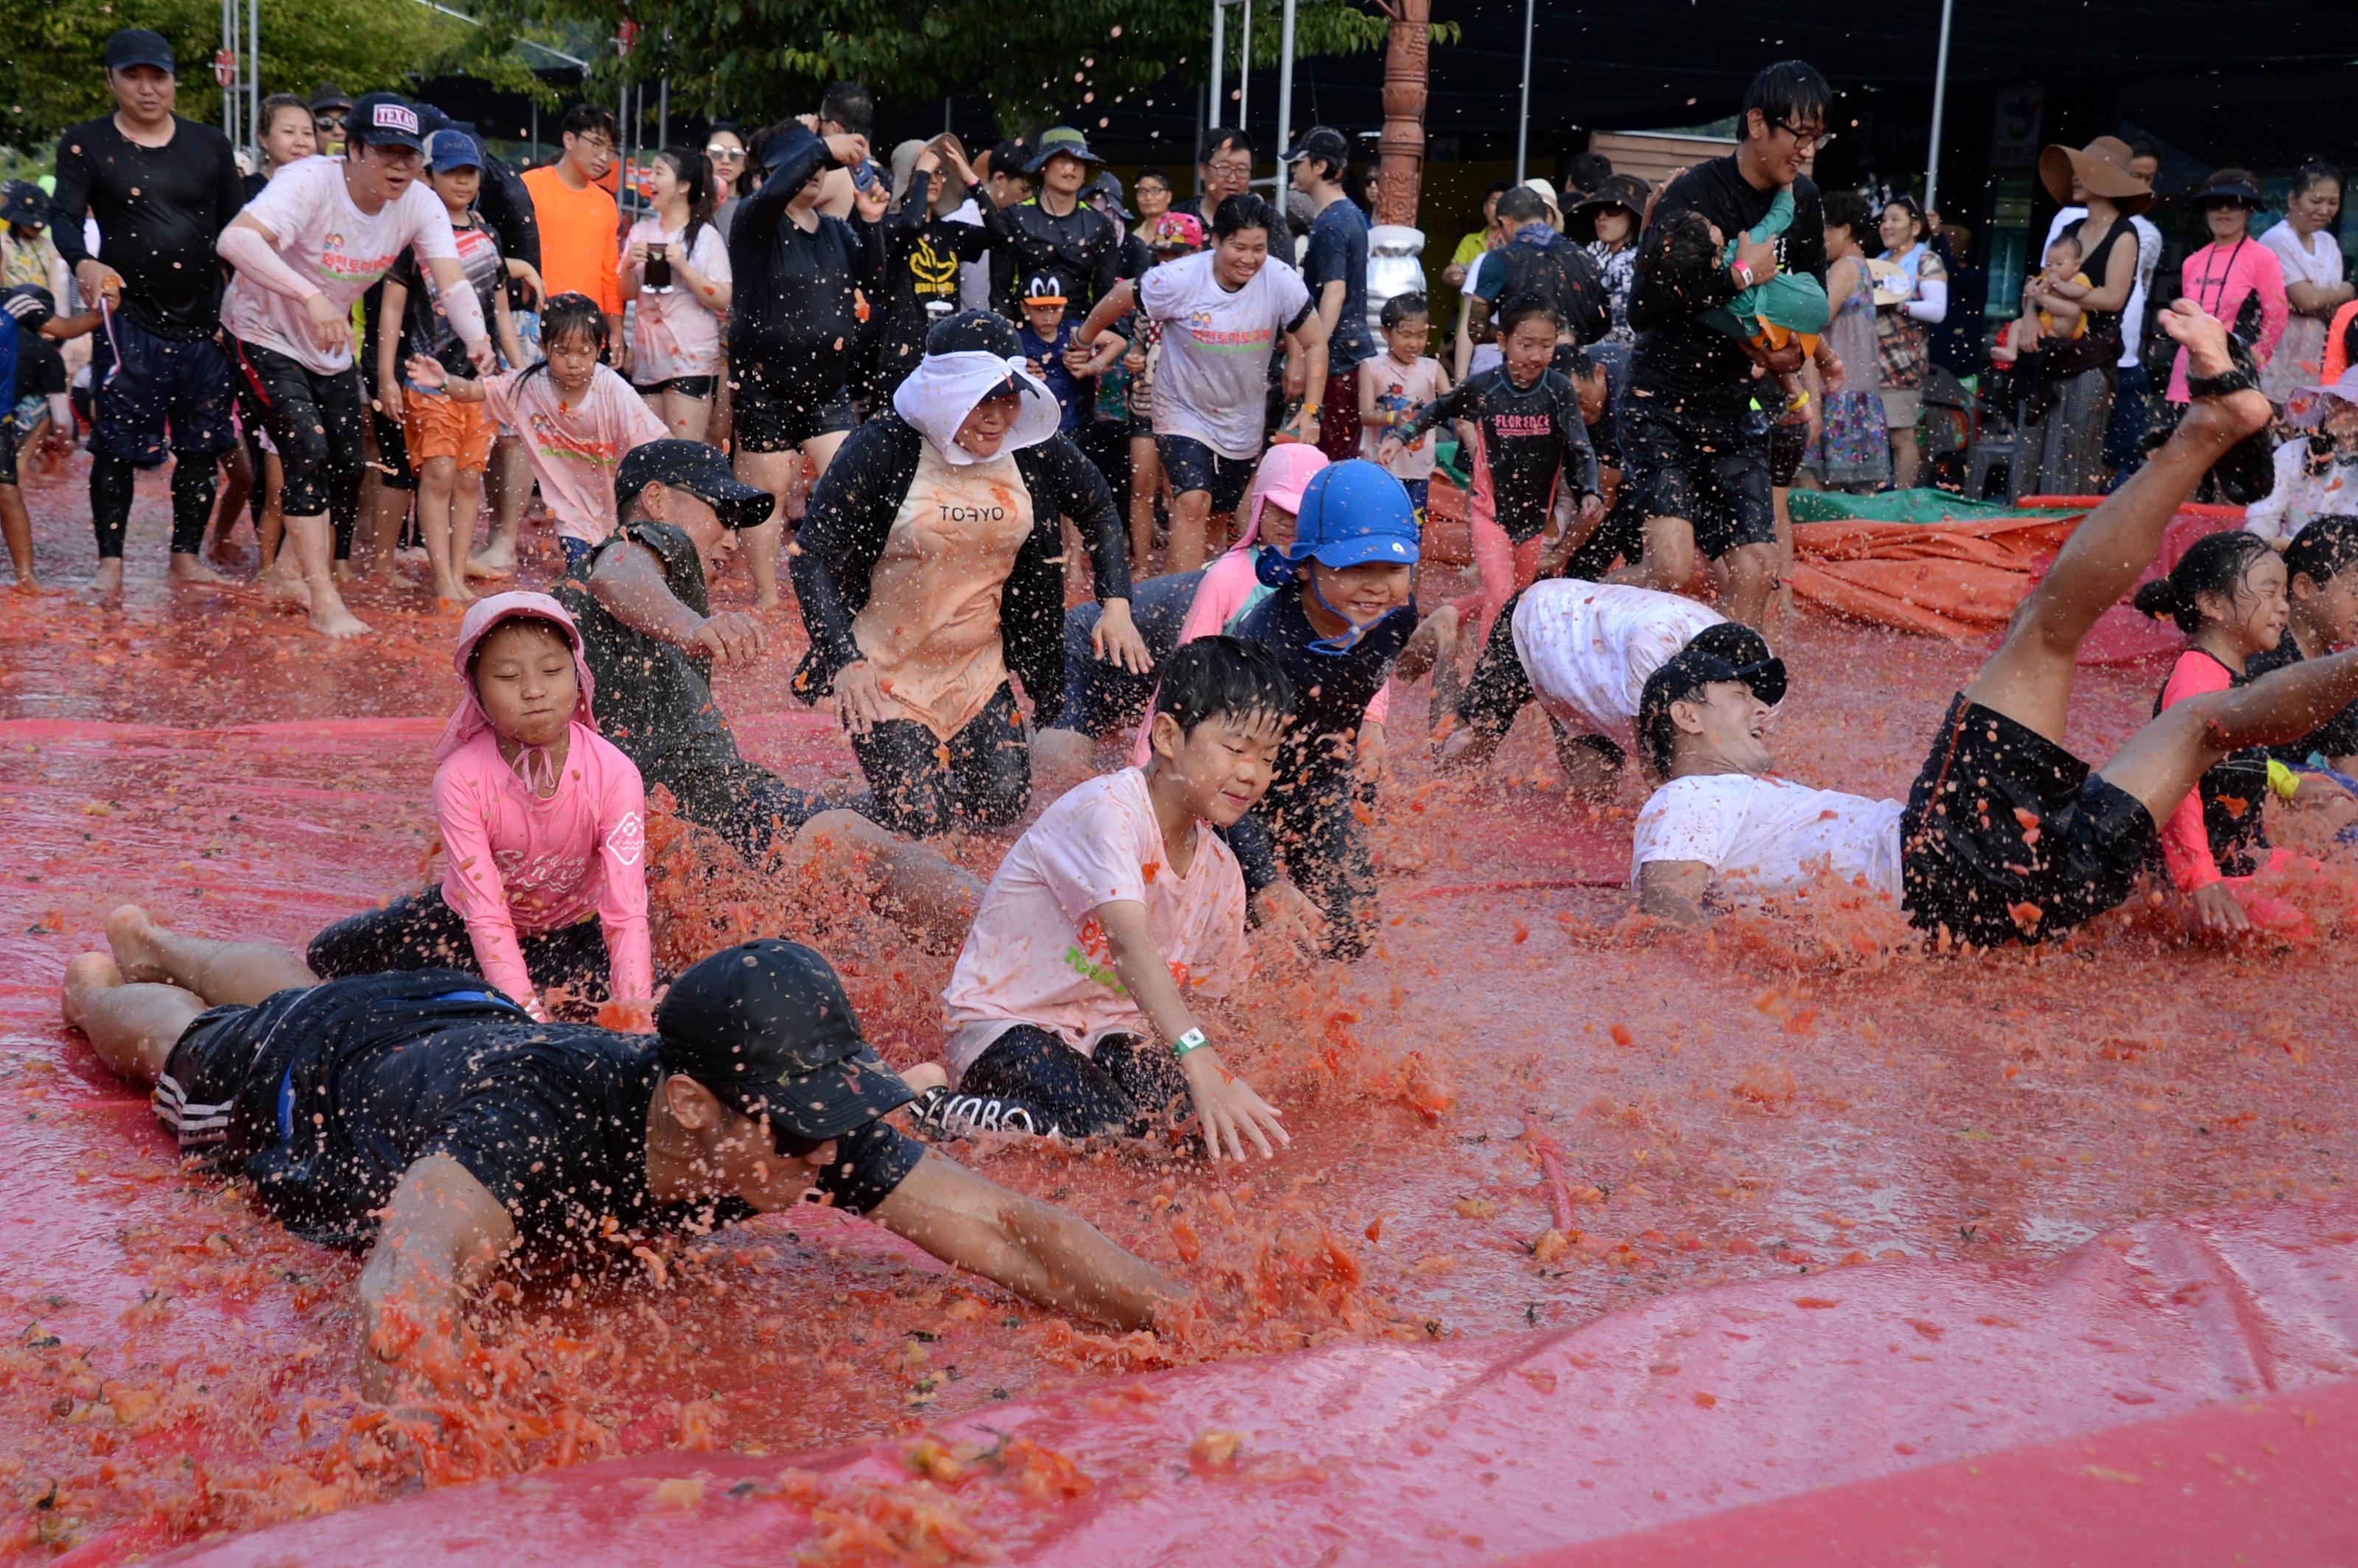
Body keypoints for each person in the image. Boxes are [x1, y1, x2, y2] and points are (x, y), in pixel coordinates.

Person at [63, 911, 1178, 1401]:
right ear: (691, 1106)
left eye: (842, 1113)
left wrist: (1191, 1326)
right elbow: (407, 1282)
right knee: (169, 1040)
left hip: (464, 1013)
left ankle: (171, 937)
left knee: (312, 991)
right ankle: (112, 971)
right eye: (803, 1129)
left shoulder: (785, 1123)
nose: (828, 1154)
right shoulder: (525, 1140)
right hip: (316, 1082)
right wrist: (410, 1489)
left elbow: (1007, 1228)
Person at [1632, 301, 2358, 945]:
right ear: (1683, 715)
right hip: (1940, 862)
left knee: (2206, 725)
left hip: (2016, 893)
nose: (1760, 705)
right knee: (2046, 627)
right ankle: (2206, 428)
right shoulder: (1683, 796)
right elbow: (1665, 914)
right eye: (1736, 692)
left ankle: (2214, 436)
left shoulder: (1749, 804)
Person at [922, 636, 1295, 1158]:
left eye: (1269, 757)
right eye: (1236, 748)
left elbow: (1216, 998)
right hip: (1008, 1023)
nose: (1253, 773)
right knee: (1103, 1133)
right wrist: (1198, 1056)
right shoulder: (1110, 813)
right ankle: (930, 1100)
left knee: (1188, 1137)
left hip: (1109, 1036)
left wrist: (1222, 1078)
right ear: (1167, 735)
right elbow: (1128, 946)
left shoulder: (1222, 872)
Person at [789, 311, 1146, 836]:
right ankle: (846, 811)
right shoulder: (881, 446)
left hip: (976, 668)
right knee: (921, 824)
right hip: (885, 669)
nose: (998, 418)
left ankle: (903, 784)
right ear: (943, 393)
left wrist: (1116, 604)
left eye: (1009, 399)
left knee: (999, 809)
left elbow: (1098, 509)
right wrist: (845, 660)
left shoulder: (1032, 449)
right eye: (982, 401)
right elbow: (811, 555)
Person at [215, 92, 495, 638]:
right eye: (386, 153)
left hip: (329, 344)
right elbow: (234, 240)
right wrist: (310, 296)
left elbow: (451, 279)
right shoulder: (309, 182)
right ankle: (324, 600)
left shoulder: (420, 202)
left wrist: (479, 339)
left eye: (409, 156)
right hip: (260, 330)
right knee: (305, 448)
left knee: (347, 464)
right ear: (353, 150)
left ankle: (288, 573)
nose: (399, 167)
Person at [308, 592, 651, 1017]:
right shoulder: (460, 779)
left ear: (578, 676)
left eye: (552, 670)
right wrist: (526, 1016)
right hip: (465, 922)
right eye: (508, 676)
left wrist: (636, 1020)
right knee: (328, 956)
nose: (534, 691)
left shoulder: (615, 773)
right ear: (476, 691)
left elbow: (626, 913)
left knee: (619, 999)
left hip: (573, 928)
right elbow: (485, 912)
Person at [1614, 60, 1832, 631]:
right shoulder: (1696, 192)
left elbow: (1814, 297)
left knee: (1758, 568)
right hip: (1661, 402)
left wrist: (1795, 355)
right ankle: (1563, 609)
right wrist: (1738, 276)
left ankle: (1722, 703)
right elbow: (1644, 310)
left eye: (1818, 137)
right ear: (1758, 123)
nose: (1808, 150)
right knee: (1669, 569)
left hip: (1735, 409)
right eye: (1800, 135)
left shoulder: (1803, 200)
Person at [51, 28, 244, 598]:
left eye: (157, 76)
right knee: (114, 444)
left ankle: (185, 554)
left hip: (204, 322)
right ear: (110, 80)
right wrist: (83, 262)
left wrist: (234, 313)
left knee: (202, 444)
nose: (146, 88)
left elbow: (237, 233)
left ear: (175, 82)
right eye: (132, 76)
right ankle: (110, 563)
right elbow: (65, 217)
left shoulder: (209, 144)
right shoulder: (85, 143)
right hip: (129, 318)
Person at [1223, 460, 1421, 959]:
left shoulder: (1395, 617)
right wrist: (1265, 882)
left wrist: (1372, 729)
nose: (1378, 588)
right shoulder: (1264, 647)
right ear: (1306, 565)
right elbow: (1221, 776)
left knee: (1350, 931)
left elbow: (1361, 681)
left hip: (1318, 786)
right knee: (1239, 938)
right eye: (1355, 568)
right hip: (1231, 800)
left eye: (1394, 569)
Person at [1075, 195, 1329, 574]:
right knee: (1193, 501)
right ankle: (1181, 611)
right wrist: (1084, 338)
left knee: (1218, 517)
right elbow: (1121, 296)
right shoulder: (1179, 278)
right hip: (1182, 410)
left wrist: (1311, 410)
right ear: (1215, 241)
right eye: (1239, 247)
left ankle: (1201, 599)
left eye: (1258, 248)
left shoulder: (1279, 280)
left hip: (1241, 418)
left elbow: (1315, 342)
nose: (1249, 259)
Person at [1381, 293, 1603, 666]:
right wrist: (1400, 438)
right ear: (1503, 342)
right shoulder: (1487, 386)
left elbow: (1581, 446)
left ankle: (1453, 616)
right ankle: (1486, 678)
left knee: (1518, 597)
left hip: (1534, 519)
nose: (1536, 355)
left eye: (1546, 346)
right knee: (1500, 594)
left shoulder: (1559, 390)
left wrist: (1591, 490)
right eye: (1526, 344)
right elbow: (1440, 408)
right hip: (1490, 513)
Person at [726, 121, 877, 609]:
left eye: (822, 168)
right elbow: (775, 194)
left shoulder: (836, 230)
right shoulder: (756, 220)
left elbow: (875, 280)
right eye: (807, 165)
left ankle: (839, 584)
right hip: (765, 384)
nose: (816, 173)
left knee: (849, 484)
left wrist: (873, 223)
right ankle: (768, 594)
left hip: (827, 387)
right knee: (767, 492)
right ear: (774, 173)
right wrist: (820, 148)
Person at [2133, 531, 2315, 934]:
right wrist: (2201, 879)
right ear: (2213, 604)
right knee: (2297, 930)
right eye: (2269, 593)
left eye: (2284, 594)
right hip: (2190, 879)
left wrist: (2291, 784)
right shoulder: (2196, 680)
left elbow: (2232, 761)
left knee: (2345, 899)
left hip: (2238, 858)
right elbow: (2177, 783)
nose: (2283, 607)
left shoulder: (2235, 676)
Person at [404, 293, 667, 568]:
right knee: (583, 577)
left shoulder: (613, 390)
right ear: (543, 347)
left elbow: (659, 441)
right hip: (572, 517)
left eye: (584, 352)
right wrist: (444, 381)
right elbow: (473, 391)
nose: (574, 362)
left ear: (599, 349)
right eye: (563, 352)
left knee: (619, 580)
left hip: (619, 510)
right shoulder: (528, 387)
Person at [377, 128, 526, 607]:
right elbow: (392, 309)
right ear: (429, 176)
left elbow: (500, 312)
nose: (462, 181)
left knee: (468, 478)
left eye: (470, 172)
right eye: (451, 172)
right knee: (438, 473)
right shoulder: (415, 235)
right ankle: (442, 578)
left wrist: (519, 371)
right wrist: (386, 375)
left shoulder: (488, 234)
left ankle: (458, 573)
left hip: (479, 382)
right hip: (427, 373)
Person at [1439, 577, 1741, 796]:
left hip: (1594, 664)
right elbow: (1654, 767)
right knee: (1455, 772)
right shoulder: (1654, 650)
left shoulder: (1757, 673)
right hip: (1540, 621)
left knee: (1597, 790)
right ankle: (1443, 636)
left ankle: (1562, 701)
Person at [2013, 137, 2152, 497]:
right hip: (2047, 351)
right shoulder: (2069, 230)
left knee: (2074, 453)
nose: (2075, 178)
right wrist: (2030, 313)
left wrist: (2061, 298)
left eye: (2084, 172)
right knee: (2029, 449)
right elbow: (2040, 280)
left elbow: (2113, 297)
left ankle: (2066, 535)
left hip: (2091, 357)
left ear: (2106, 179)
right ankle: (2016, 526)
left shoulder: (2125, 234)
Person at [619, 144, 732, 443]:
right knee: (651, 453)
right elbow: (626, 293)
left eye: (659, 172)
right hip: (648, 358)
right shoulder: (641, 231)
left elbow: (722, 298)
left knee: (685, 453)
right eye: (650, 172)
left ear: (684, 186)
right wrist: (629, 263)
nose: (650, 180)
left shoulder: (705, 237)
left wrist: (684, 267)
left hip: (691, 358)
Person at [875, 136, 990, 402]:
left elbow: (1001, 234)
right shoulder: (888, 228)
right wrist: (922, 175)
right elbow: (912, 224)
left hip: (945, 359)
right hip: (900, 362)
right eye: (926, 171)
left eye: (941, 172)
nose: (935, 178)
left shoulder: (951, 231)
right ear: (907, 177)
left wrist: (970, 179)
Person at [1456, 185, 1610, 382]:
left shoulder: (1499, 260)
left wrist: (1517, 337)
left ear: (1506, 222)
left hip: (1525, 382)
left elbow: (1476, 330)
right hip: (1579, 382)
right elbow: (1603, 323)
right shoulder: (1586, 258)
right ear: (1546, 216)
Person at [2166, 170, 2289, 414]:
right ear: (2205, 210)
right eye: (2214, 204)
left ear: (2248, 210)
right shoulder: (2193, 262)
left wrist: (2249, 363)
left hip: (2230, 378)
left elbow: (2277, 318)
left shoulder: (2262, 258)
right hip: (2184, 379)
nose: (2224, 210)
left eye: (2234, 203)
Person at [1287, 127, 1376, 462]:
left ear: (1320, 166)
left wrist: (1314, 350)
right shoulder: (1352, 214)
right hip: (1350, 353)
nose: (1295, 169)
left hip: (1338, 360)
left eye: (1300, 162)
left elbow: (1335, 292)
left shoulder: (1331, 223)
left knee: (1328, 460)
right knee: (1339, 456)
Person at [972, 125, 1118, 323]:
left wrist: (1087, 342)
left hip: (1080, 337)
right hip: (1024, 337)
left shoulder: (1100, 225)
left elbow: (1105, 296)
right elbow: (1000, 296)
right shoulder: (1014, 218)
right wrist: (1011, 345)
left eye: (1078, 161)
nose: (1071, 167)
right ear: (1043, 166)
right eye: (1062, 159)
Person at [2248, 514, 2358, 779]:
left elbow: (2351, 769)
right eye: (2356, 591)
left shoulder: (2338, 674)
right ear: (2304, 587)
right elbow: (2231, 766)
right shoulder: (2259, 659)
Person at [520, 106, 626, 373]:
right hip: (534, 325)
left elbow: (609, 274)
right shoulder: (529, 186)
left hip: (587, 331)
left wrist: (615, 331)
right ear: (569, 140)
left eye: (611, 150)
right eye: (597, 144)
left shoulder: (605, 203)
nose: (604, 157)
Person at [1800, 189, 1889, 491]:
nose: (1819, 236)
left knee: (1823, 493)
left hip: (1838, 392)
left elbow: (1815, 319)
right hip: (1857, 392)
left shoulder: (1845, 267)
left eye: (1825, 227)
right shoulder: (1861, 265)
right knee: (1855, 500)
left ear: (1846, 229)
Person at [1871, 197, 1948, 490]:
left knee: (1901, 436)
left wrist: (1898, 305)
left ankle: (1900, 503)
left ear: (1915, 227)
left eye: (1895, 219)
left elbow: (1937, 310)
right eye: (1884, 220)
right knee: (1875, 437)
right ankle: (1873, 507)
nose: (1887, 226)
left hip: (1901, 366)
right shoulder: (1878, 261)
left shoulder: (1927, 260)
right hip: (1870, 365)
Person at [2261, 163, 2351, 405]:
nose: (2324, 210)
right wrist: (2350, 289)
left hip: (2315, 361)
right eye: (2316, 201)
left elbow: (2334, 311)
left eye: (2333, 203)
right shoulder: (2277, 239)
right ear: (2293, 199)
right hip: (2274, 361)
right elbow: (2307, 300)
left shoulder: (2329, 243)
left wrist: (2315, 302)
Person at [1359, 292, 1451, 519]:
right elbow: (1365, 415)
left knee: (1413, 527)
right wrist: (1393, 417)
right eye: (1406, 335)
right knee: (1379, 522)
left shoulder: (1433, 368)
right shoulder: (1372, 367)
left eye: (1421, 335)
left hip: (1419, 468)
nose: (1414, 343)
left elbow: (1452, 405)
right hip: (1381, 466)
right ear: (1385, 332)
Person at [2246, 369, 2358, 547]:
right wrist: (2256, 545)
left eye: (2351, 403)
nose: (2339, 407)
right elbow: (2264, 514)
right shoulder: (2293, 453)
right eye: (2337, 398)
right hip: (2284, 556)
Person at [1573, 174, 1651, 349]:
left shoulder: (1624, 264)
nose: (1601, 217)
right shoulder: (1633, 258)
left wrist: (1582, 354)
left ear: (1633, 215)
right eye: (1596, 210)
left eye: (1613, 208)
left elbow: (1624, 337)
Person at [1993, 232, 2090, 365]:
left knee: (2073, 310)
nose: (2052, 268)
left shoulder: (2079, 278)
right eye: (2049, 264)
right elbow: (2031, 284)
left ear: (2076, 265)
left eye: (2059, 264)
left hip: (2065, 325)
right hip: (2044, 323)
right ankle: (2011, 351)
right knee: (2017, 324)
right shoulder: (2046, 276)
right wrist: (2033, 287)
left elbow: (2080, 292)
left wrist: (2059, 285)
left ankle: (2045, 309)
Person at [705, 122, 749, 238]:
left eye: (735, 154)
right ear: (702, 155)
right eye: (716, 152)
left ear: (745, 163)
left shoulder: (754, 205)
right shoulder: (687, 200)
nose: (726, 160)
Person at [307, 83, 351, 153]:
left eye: (345, 121)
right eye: (325, 122)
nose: (338, 131)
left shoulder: (371, 162)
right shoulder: (295, 164)